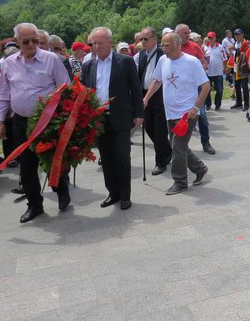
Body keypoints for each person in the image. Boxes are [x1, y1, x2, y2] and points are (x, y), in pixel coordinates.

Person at [0, 23, 71, 223]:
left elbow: (66, 88)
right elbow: (3, 93)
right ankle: (34, 205)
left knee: (53, 160)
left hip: (48, 121)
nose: (31, 44)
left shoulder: (51, 59)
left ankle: (61, 190)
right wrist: (0, 121)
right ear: (17, 42)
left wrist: (62, 116)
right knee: (27, 166)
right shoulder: (9, 63)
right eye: (26, 41)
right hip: (21, 121)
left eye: (35, 40)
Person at [81, 27, 143, 210]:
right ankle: (113, 193)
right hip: (98, 119)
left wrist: (139, 113)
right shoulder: (88, 66)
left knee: (122, 157)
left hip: (121, 117)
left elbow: (136, 89)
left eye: (101, 43)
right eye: (94, 43)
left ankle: (125, 195)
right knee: (106, 159)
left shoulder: (125, 62)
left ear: (110, 42)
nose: (97, 47)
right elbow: (84, 93)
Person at [143, 33, 209, 195]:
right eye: (163, 45)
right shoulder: (162, 60)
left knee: (177, 147)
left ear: (178, 45)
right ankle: (199, 168)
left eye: (167, 45)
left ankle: (180, 181)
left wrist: (195, 108)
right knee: (179, 146)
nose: (164, 49)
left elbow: (206, 86)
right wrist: (145, 99)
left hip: (187, 113)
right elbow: (157, 80)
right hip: (169, 113)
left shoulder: (191, 62)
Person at [135, 27, 172, 176]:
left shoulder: (163, 54)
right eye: (141, 39)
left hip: (159, 95)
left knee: (159, 129)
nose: (142, 42)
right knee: (149, 127)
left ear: (154, 39)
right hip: (145, 95)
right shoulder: (142, 55)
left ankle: (160, 161)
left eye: (145, 39)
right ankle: (167, 150)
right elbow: (140, 75)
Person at [175, 24, 216, 155]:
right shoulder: (173, 48)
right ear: (177, 35)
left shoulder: (195, 47)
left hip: (197, 87)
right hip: (179, 89)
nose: (187, 35)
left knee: (202, 115)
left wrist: (197, 67)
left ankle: (206, 143)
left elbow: (205, 63)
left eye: (188, 32)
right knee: (175, 117)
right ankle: (176, 146)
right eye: (185, 33)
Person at [203, 32, 227, 110]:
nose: (210, 40)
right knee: (207, 90)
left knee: (219, 90)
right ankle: (208, 104)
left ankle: (217, 104)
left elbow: (224, 59)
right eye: (209, 38)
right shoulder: (204, 47)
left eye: (211, 38)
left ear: (215, 38)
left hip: (218, 72)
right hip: (208, 72)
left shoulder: (220, 47)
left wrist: (225, 68)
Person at [231, 28, 250, 111]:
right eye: (236, 34)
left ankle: (247, 104)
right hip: (236, 68)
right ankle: (239, 102)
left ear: (242, 35)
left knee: (245, 87)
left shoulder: (246, 43)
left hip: (243, 68)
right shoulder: (236, 43)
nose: (237, 36)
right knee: (237, 86)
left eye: (239, 34)